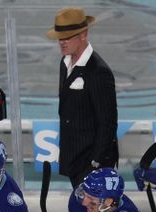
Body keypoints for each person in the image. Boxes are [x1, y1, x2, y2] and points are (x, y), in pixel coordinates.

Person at [47, 7, 118, 187]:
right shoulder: (64, 63)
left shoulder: (98, 72)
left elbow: (107, 122)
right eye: (60, 38)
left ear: (83, 35)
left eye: (67, 37)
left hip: (91, 163)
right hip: (74, 158)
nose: (62, 42)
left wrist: (95, 163)